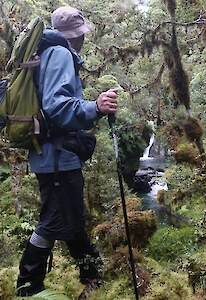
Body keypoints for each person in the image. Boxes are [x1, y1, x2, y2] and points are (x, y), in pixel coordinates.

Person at [16, 6, 118, 296]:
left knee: (71, 215)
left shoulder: (45, 53)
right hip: (57, 157)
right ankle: (28, 287)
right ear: (74, 35)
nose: (83, 39)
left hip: (52, 155)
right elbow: (57, 108)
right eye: (81, 34)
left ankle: (92, 275)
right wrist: (94, 107)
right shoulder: (60, 54)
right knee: (51, 222)